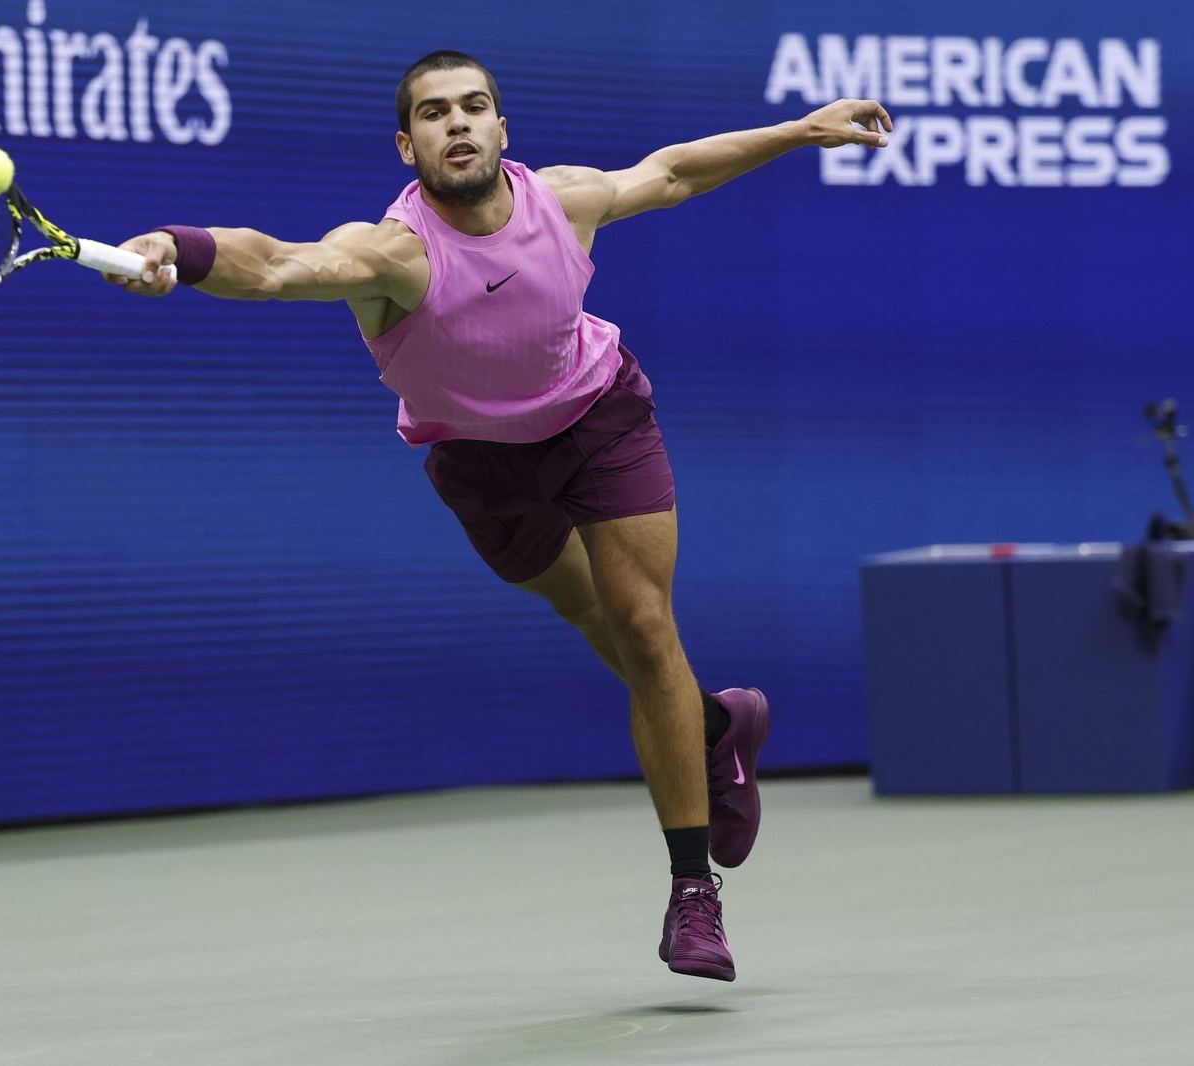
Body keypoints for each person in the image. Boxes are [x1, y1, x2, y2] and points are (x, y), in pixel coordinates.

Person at [105, 52, 891, 980]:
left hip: (599, 421)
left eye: (474, 106)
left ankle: (693, 893)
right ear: (408, 146)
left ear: (501, 128)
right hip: (480, 463)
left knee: (644, 626)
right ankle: (716, 728)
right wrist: (178, 248)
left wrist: (799, 130)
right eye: (435, 113)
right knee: (592, 614)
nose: (458, 123)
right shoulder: (390, 255)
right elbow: (274, 263)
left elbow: (675, 172)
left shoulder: (562, 201)